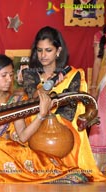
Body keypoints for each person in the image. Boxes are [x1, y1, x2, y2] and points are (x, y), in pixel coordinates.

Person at [0, 54, 100, 183]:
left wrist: (41, 115)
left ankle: (54, 177)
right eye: (4, 75)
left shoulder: (14, 102)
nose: (9, 80)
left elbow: (22, 137)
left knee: (36, 156)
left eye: (11, 75)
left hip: (11, 151)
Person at [21, 26, 106, 181]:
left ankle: (62, 170)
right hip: (33, 122)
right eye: (39, 50)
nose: (43, 55)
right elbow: (32, 100)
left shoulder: (72, 74)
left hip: (63, 125)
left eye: (48, 50)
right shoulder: (30, 73)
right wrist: (49, 85)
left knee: (62, 136)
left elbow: (70, 109)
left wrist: (50, 113)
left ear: (58, 51)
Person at [89, 25, 106, 174]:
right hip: (105, 83)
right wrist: (93, 87)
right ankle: (99, 164)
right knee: (101, 119)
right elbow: (97, 62)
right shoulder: (100, 35)